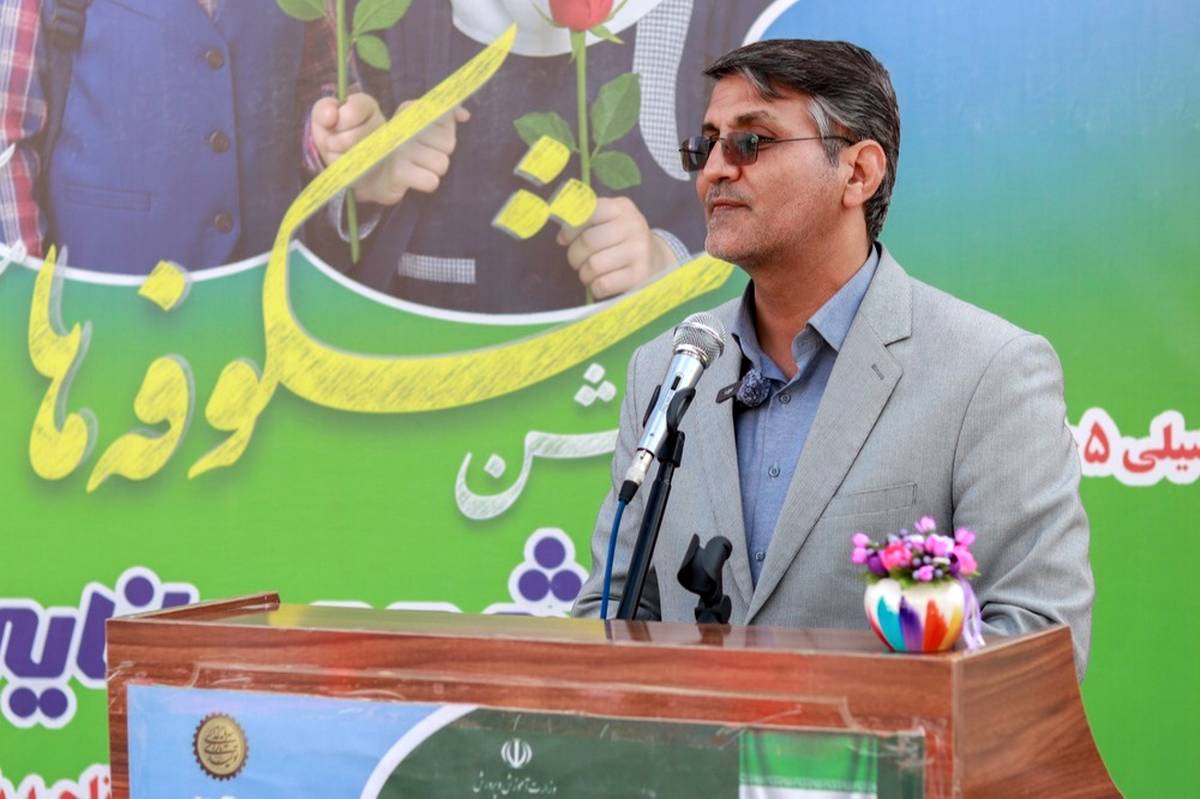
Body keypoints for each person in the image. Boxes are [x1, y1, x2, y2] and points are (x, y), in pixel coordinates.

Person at [571, 39, 1094, 680]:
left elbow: (1037, 644)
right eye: (706, 146)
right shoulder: (670, 369)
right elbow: (614, 612)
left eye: (751, 142)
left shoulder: (989, 371)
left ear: (858, 173)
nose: (714, 172)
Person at [322, 0, 772, 314]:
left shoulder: (731, 15)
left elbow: (788, 200)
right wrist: (363, 180)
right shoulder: (388, 15)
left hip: (631, 370)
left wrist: (667, 262)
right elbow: (296, 219)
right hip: (436, 354)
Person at [0, 0, 388, 274]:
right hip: (104, 308)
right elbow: (7, 136)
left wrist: (329, 136)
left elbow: (319, 85)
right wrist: (27, 295)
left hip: (264, 296)